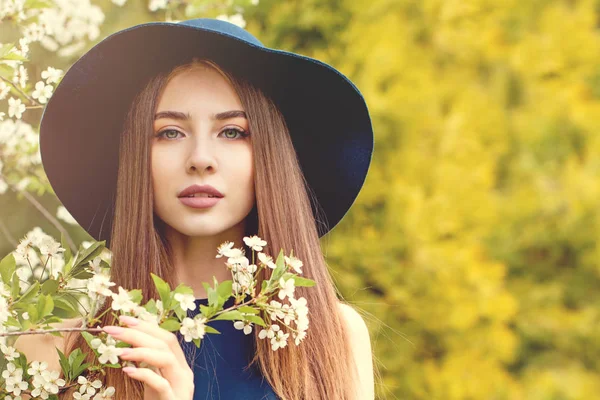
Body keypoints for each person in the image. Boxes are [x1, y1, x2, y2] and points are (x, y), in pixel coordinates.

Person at [36, 18, 375, 400]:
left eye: (232, 131)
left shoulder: (334, 338)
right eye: (169, 132)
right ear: (134, 160)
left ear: (270, 156)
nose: (200, 158)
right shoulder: (59, 352)